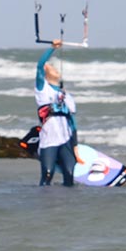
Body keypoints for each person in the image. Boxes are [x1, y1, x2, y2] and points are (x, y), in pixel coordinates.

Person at [34, 39, 78, 186]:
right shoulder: (42, 89)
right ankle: (44, 203)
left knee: (70, 174)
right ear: (46, 73)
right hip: (49, 140)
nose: (56, 70)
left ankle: (66, 205)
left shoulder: (67, 96)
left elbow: (73, 122)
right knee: (48, 174)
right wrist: (52, 48)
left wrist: (75, 146)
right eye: (53, 68)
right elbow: (40, 66)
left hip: (66, 140)